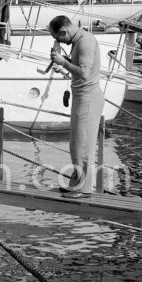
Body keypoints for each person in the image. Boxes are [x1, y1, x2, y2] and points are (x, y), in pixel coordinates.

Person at [48, 15, 105, 199]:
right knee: (75, 144)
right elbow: (80, 66)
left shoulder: (85, 42)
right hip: (81, 97)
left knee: (83, 145)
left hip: (88, 98)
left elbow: (85, 74)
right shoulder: (78, 41)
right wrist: (65, 59)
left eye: (58, 38)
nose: (59, 42)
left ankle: (83, 189)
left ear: (64, 31)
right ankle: (76, 184)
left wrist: (63, 62)